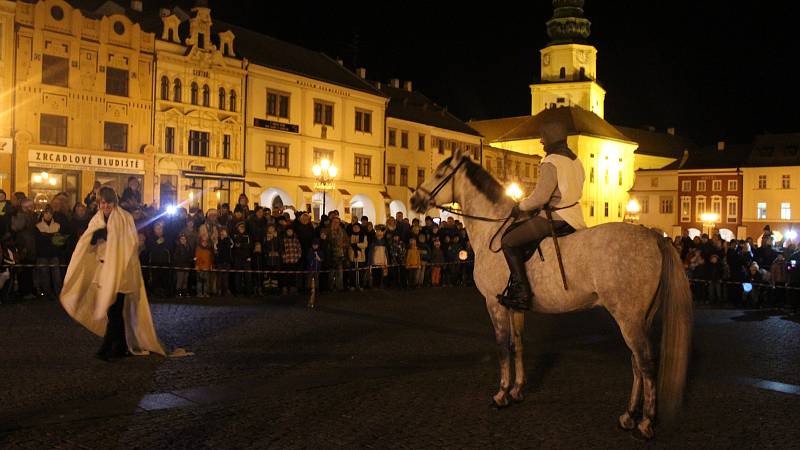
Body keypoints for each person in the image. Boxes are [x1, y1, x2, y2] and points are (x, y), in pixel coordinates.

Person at [60, 187, 167, 361]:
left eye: (109, 202)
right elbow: (87, 241)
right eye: (102, 202)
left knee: (115, 311)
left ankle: (111, 348)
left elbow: (128, 244)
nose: (106, 205)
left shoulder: (124, 217)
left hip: (121, 272)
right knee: (112, 311)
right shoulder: (97, 219)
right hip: (104, 271)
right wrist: (95, 237)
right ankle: (118, 346)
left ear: (114, 202)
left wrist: (111, 243)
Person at [499, 118, 586, 310]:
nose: (541, 142)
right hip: (576, 218)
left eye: (543, 137)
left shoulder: (551, 161)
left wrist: (520, 206)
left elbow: (540, 197)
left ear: (550, 138)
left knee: (508, 241)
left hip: (554, 219)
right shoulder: (576, 161)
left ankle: (522, 293)